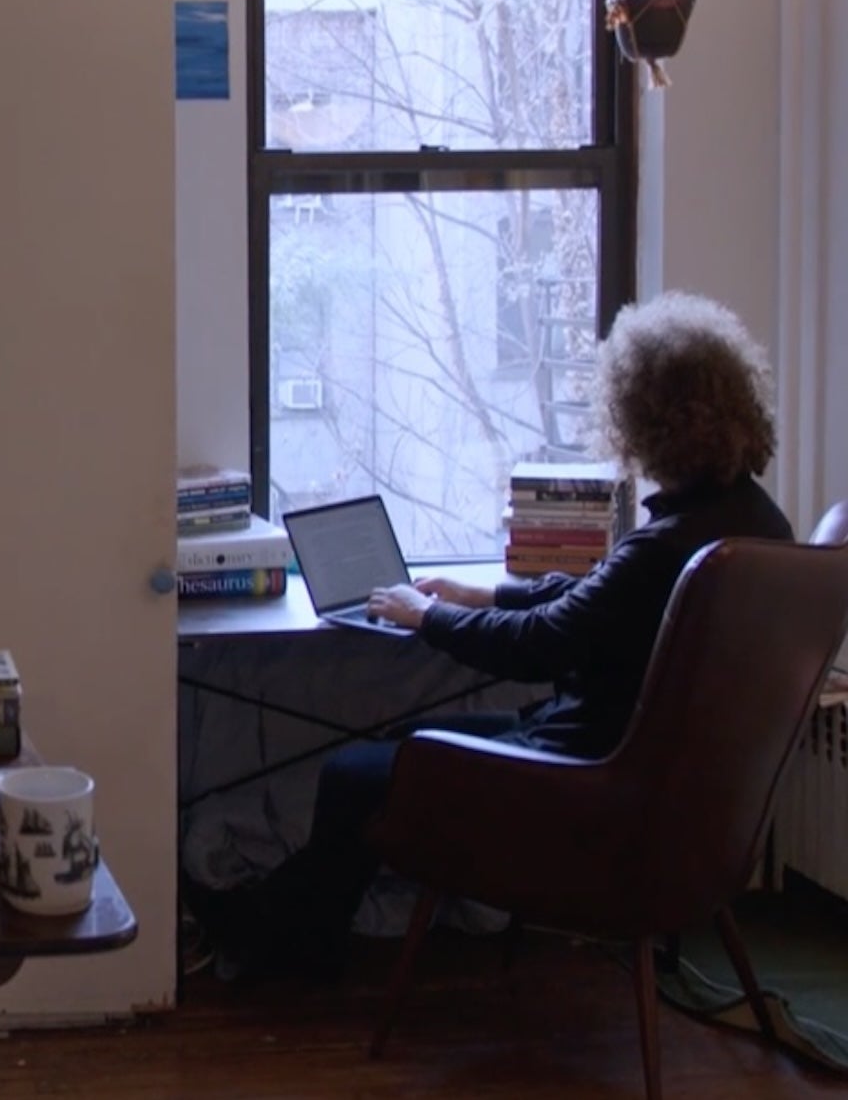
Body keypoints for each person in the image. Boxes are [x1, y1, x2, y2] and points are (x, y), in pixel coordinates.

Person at [190, 289, 793, 981]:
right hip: (670, 802)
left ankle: (290, 941)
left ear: (648, 421)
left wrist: (428, 617)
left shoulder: (664, 548)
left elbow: (540, 641)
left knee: (354, 774)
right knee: (405, 748)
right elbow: (593, 602)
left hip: (586, 785)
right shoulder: (755, 528)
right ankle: (286, 925)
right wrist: (484, 591)